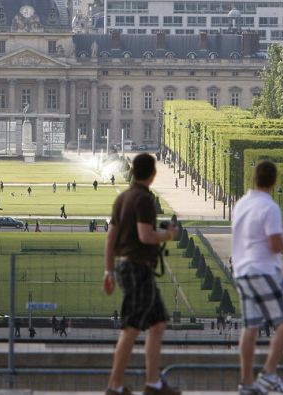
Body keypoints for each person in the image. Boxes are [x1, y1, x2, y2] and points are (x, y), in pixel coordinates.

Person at [103, 153, 179, 395]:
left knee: (157, 324)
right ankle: (114, 387)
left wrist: (109, 270)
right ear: (153, 174)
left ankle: (153, 383)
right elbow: (146, 235)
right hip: (137, 268)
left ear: (132, 171)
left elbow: (110, 238)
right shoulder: (144, 199)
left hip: (131, 267)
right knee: (131, 328)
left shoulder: (123, 197)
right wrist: (167, 235)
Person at [231, 160, 283, 395]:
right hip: (263, 270)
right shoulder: (270, 208)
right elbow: (274, 245)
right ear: (274, 181)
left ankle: (247, 383)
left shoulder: (241, 204)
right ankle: (269, 374)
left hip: (242, 271)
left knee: (250, 327)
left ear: (254, 178)